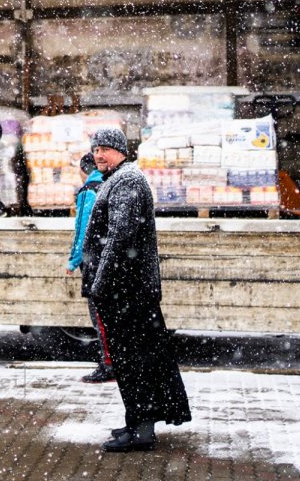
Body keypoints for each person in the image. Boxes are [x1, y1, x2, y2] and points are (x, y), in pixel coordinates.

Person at [82, 127, 191, 452]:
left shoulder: (127, 180)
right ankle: (136, 421)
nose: (99, 155)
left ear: (120, 151)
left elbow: (120, 236)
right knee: (132, 360)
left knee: (135, 361)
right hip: (125, 289)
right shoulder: (119, 178)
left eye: (105, 149)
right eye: (96, 149)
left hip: (126, 291)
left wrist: (100, 283)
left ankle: (142, 430)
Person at [67, 153, 114, 384]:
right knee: (115, 317)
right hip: (113, 258)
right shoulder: (113, 184)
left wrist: (73, 260)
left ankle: (109, 366)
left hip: (95, 261)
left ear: (84, 170)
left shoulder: (89, 190)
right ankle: (119, 363)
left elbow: (83, 231)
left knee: (100, 317)